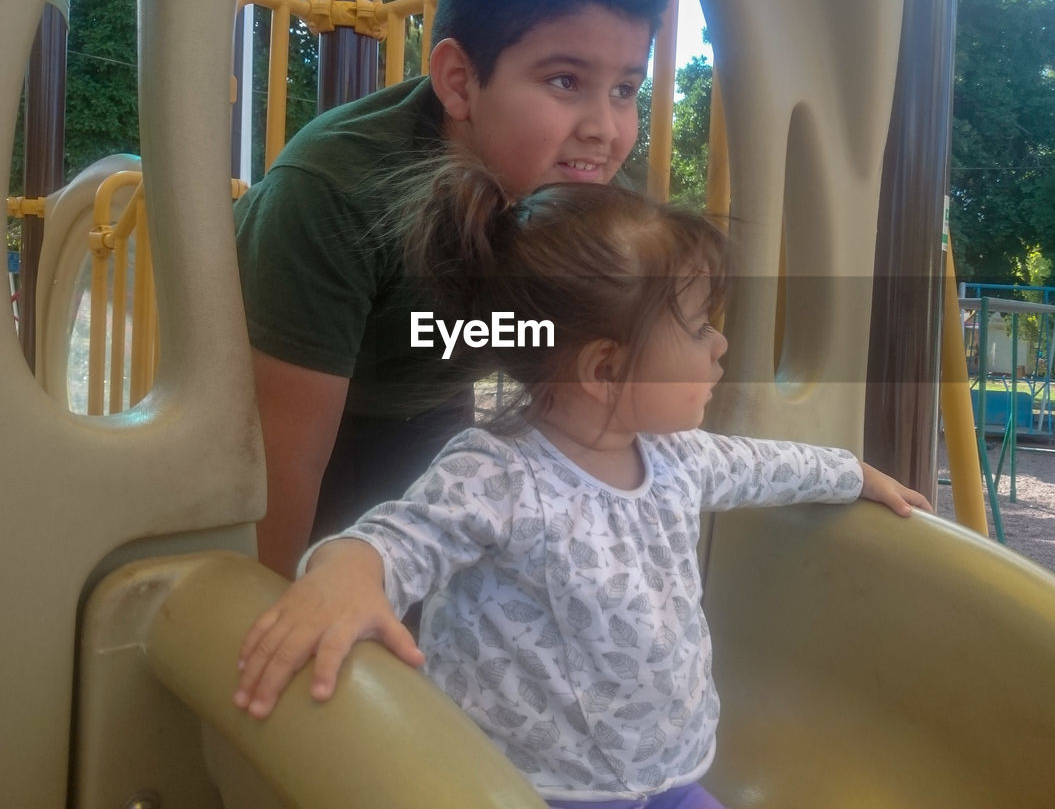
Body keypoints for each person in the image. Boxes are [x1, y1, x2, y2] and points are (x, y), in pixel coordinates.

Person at [233, 164, 932, 808]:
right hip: (529, 788)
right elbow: (400, 538)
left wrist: (853, 473)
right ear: (603, 369)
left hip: (670, 773)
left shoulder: (678, 458)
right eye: (697, 329)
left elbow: (764, 465)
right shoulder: (498, 474)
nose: (718, 346)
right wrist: (347, 571)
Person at [234, 0, 671, 575]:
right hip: (328, 438)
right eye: (565, 80)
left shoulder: (574, 198)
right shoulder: (334, 195)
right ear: (460, 82)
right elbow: (279, 471)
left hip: (440, 417)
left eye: (624, 90)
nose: (605, 129)